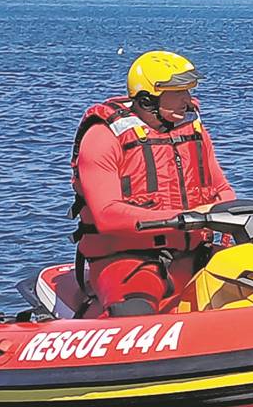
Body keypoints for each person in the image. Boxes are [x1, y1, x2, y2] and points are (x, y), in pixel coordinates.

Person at [70, 51, 235, 316]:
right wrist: (187, 218)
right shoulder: (102, 137)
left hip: (195, 256)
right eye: (177, 92)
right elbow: (107, 215)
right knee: (134, 312)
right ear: (147, 99)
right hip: (128, 262)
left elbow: (222, 190)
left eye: (188, 91)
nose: (187, 99)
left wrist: (232, 218)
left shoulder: (194, 131)